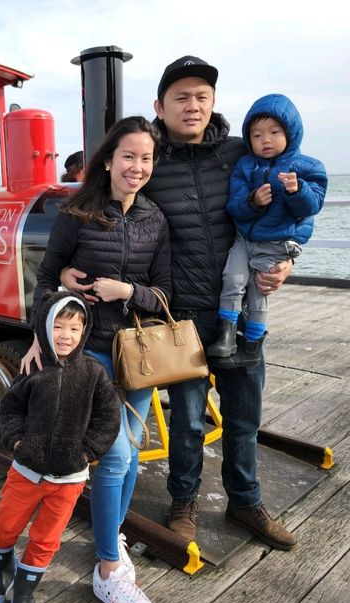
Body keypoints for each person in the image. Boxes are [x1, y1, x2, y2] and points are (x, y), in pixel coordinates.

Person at [61, 56, 297, 551]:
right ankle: (183, 503)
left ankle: (245, 501)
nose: (193, 106)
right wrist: (63, 268)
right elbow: (107, 211)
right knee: (188, 421)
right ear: (160, 106)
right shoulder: (150, 161)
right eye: (181, 97)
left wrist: (288, 261)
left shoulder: (240, 153)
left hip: (244, 309)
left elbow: (286, 209)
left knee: (244, 414)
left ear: (213, 103)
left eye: (202, 97)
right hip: (181, 315)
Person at [21, 115, 170, 603]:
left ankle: (115, 537)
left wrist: (126, 291)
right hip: (93, 356)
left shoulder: (155, 219)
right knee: (114, 457)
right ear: (108, 160)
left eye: (146, 158)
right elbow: (44, 279)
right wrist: (43, 336)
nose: (137, 167)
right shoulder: (76, 213)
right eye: (128, 156)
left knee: (128, 460)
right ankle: (109, 569)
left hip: (139, 355)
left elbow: (165, 294)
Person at [0, 290, 121, 603]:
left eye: (74, 328)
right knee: (5, 526)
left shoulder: (94, 373)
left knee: (46, 539)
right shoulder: (33, 367)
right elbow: (10, 409)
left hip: (69, 478)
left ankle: (24, 597)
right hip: (26, 470)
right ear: (45, 326)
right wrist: (16, 442)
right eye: (58, 326)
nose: (65, 335)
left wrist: (86, 452)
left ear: (84, 331)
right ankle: (1, 575)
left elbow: (109, 418)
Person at [207, 93, 327, 365]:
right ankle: (226, 336)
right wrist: (253, 202)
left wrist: (297, 191)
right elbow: (234, 205)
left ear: (291, 133)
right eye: (257, 135)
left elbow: (311, 207)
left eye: (274, 132)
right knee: (234, 280)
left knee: (259, 292)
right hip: (243, 239)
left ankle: (253, 344)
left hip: (274, 243)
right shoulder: (244, 165)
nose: (266, 140)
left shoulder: (308, 167)